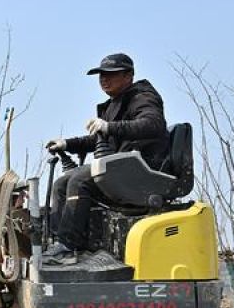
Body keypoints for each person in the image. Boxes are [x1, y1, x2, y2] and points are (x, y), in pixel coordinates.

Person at [43, 52, 168, 262]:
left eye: (111, 74)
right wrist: (68, 144)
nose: (104, 79)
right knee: (62, 183)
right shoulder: (114, 104)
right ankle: (61, 243)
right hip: (123, 168)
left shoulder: (142, 97)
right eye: (101, 75)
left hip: (142, 170)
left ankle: (68, 247)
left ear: (129, 76)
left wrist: (109, 126)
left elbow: (153, 124)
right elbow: (101, 138)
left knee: (80, 179)